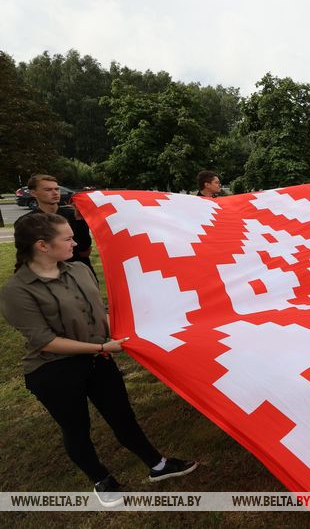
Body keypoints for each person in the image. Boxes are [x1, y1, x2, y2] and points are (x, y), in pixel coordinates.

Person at [1, 213, 198, 507]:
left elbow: (99, 313)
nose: (75, 242)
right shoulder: (17, 290)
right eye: (67, 238)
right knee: (77, 428)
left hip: (99, 357)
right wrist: (102, 346)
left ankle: (158, 465)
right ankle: (101, 479)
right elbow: (45, 341)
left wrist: (130, 335)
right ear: (42, 245)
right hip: (53, 370)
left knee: (122, 415)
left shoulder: (80, 269)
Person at [23, 174, 95, 277]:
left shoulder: (73, 214)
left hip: (80, 273)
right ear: (33, 193)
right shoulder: (27, 221)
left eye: (57, 189)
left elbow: (84, 249)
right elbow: (28, 256)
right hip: (47, 276)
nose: (55, 193)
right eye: (48, 190)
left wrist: (80, 220)